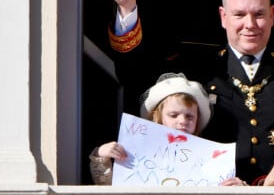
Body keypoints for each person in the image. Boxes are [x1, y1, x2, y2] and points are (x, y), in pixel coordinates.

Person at [94, 0, 274, 186]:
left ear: (272, 15)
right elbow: (132, 75)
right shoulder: (194, 66)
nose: (250, 24)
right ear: (223, 17)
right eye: (239, 15)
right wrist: (127, 7)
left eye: (259, 14)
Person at [89, 72, 247, 186]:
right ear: (158, 117)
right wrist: (102, 155)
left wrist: (237, 189)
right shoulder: (135, 151)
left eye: (189, 116)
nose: (182, 121)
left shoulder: (210, 158)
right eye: (173, 115)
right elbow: (108, 186)